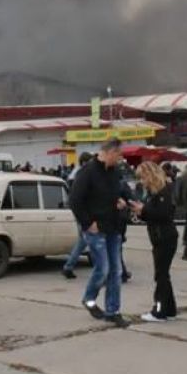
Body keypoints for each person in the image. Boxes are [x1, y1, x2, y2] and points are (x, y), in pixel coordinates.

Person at [69, 139, 129, 327]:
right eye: (118, 155)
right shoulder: (87, 172)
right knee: (103, 268)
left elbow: (117, 193)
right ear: (110, 152)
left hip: (113, 227)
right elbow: (75, 200)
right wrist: (87, 223)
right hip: (96, 229)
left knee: (116, 271)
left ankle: (113, 311)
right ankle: (89, 298)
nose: (120, 159)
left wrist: (120, 202)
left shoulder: (114, 173)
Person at [132, 162, 178, 322]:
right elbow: (152, 215)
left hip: (165, 237)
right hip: (159, 237)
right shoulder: (154, 193)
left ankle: (159, 311)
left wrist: (144, 209)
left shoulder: (163, 191)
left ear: (150, 176)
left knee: (161, 275)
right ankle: (170, 309)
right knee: (163, 274)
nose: (141, 181)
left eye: (142, 177)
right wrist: (140, 211)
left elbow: (163, 214)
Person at [62, 152, 95, 279]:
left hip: (81, 212)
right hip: (83, 213)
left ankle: (68, 267)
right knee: (92, 240)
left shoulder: (75, 174)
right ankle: (100, 270)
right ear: (85, 162)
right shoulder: (81, 174)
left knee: (83, 241)